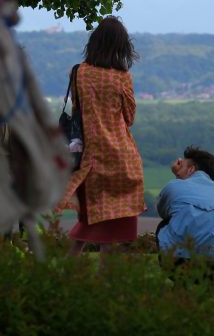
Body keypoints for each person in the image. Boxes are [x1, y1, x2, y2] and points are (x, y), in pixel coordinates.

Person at [56, 16, 144, 254]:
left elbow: (77, 112)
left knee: (89, 220)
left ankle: (67, 272)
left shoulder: (79, 73)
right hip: (122, 158)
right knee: (115, 224)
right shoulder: (122, 76)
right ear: (122, 46)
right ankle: (105, 277)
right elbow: (130, 117)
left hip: (91, 157)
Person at [156, 147, 214, 263]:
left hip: (178, 260)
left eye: (182, 165)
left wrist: (178, 177)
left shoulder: (173, 186)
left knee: (164, 224)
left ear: (191, 170)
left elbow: (164, 212)